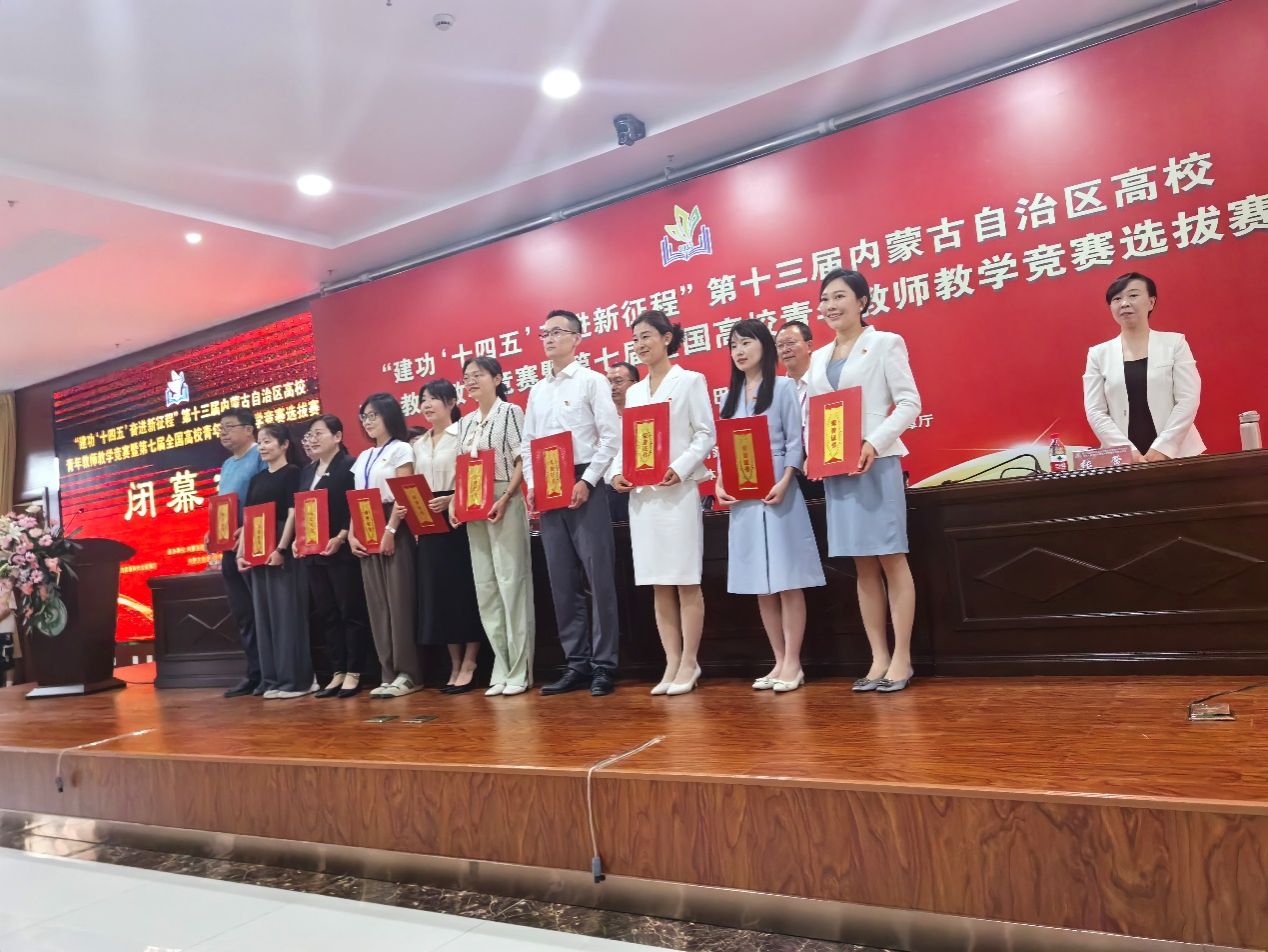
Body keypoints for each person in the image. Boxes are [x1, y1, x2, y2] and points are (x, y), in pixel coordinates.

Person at [807, 269, 920, 693]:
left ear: (862, 302)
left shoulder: (886, 342)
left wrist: (875, 441)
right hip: (837, 469)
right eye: (825, 299)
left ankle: (902, 657)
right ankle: (878, 657)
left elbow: (909, 402)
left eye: (839, 297)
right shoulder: (818, 357)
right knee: (862, 565)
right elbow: (813, 413)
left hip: (876, 463)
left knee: (891, 557)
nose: (831, 306)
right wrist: (813, 453)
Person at [715, 320, 825, 693]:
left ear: (764, 346)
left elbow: (796, 441)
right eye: (733, 345)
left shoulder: (782, 388)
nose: (739, 351)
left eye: (746, 343)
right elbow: (724, 448)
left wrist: (786, 479)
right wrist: (720, 483)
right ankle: (778, 659)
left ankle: (794, 662)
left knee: (787, 579)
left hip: (778, 490)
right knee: (760, 584)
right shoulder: (729, 398)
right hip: (744, 497)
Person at [610, 310, 716, 696]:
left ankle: (690, 661)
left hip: (677, 493)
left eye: (647, 336)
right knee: (659, 583)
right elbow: (625, 442)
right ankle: (671, 660)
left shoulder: (689, 380)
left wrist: (680, 466)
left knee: (685, 580)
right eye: (635, 338)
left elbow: (705, 433)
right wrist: (616, 473)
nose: (640, 344)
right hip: (643, 499)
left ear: (667, 338)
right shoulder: (635, 392)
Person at [523, 310, 622, 697]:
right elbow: (529, 443)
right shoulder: (537, 390)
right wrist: (533, 483)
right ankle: (576, 663)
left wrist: (588, 480)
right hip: (548, 481)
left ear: (577, 338)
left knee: (599, 578)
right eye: (544, 333)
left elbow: (610, 437)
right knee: (562, 581)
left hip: (585, 481)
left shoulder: (591, 381)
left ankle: (604, 665)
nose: (549, 339)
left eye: (557, 332)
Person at [452, 357, 535, 696]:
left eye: (479, 375)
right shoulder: (465, 422)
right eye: (467, 377)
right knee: (486, 587)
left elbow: (521, 459)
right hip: (473, 502)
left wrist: (508, 496)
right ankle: (501, 666)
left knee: (511, 583)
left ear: (497, 379)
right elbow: (462, 468)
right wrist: (456, 503)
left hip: (504, 498)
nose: (471, 381)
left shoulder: (510, 412)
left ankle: (520, 669)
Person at [409, 378, 484, 694]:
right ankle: (453, 663)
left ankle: (471, 661)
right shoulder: (418, 444)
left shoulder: (465, 434)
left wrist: (452, 498)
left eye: (433, 398)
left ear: (452, 402)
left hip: (458, 519)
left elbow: (475, 475)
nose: (426, 405)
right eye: (423, 399)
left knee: (463, 591)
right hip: (429, 521)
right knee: (439, 594)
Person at [1083, 272, 1204, 462]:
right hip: (1124, 462)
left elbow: (1188, 399)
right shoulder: (1098, 354)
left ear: (1151, 302)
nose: (1124, 303)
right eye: (1117, 299)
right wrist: (1126, 451)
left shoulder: (1174, 344)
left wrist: (1163, 448)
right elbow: (1095, 411)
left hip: (1178, 455)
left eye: (1133, 295)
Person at [350, 393, 422, 698]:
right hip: (365, 527)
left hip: (394, 526)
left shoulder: (401, 449)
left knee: (399, 601)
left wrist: (391, 530)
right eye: (364, 416)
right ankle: (388, 671)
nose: (368, 422)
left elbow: (404, 494)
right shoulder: (363, 457)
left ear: (389, 416)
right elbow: (356, 500)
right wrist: (352, 534)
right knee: (378, 605)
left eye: (374, 415)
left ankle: (409, 673)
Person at [295, 415, 371, 699]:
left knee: (350, 611)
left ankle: (355, 671)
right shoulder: (307, 471)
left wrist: (341, 536)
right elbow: (303, 510)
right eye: (310, 435)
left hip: (341, 551)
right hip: (313, 554)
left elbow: (354, 506)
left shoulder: (350, 465)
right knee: (327, 614)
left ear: (337, 436)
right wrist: (298, 540)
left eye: (319, 433)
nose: (313, 439)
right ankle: (338, 670)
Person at [236, 423, 313, 699]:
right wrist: (241, 552)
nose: (263, 446)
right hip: (257, 548)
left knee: (286, 614)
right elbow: (248, 519)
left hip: (281, 546)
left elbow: (294, 513)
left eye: (268, 441)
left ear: (284, 445)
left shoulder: (292, 473)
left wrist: (281, 548)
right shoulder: (257, 479)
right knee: (265, 615)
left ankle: (297, 680)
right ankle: (273, 680)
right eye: (260, 442)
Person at [212, 409, 267, 697]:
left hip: (256, 542)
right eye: (220, 428)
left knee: (261, 610)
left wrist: (247, 528)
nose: (223, 432)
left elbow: (264, 498)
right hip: (230, 546)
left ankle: (270, 671)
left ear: (249, 429)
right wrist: (213, 530)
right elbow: (224, 504)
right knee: (243, 612)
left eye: (229, 427)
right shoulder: (227, 464)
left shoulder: (259, 455)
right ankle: (254, 673)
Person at [776, 319, 824, 501]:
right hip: (789, 470)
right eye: (780, 346)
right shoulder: (776, 391)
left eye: (790, 343)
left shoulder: (825, 380)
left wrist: (818, 453)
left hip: (823, 462)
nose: (785, 350)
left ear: (809, 346)